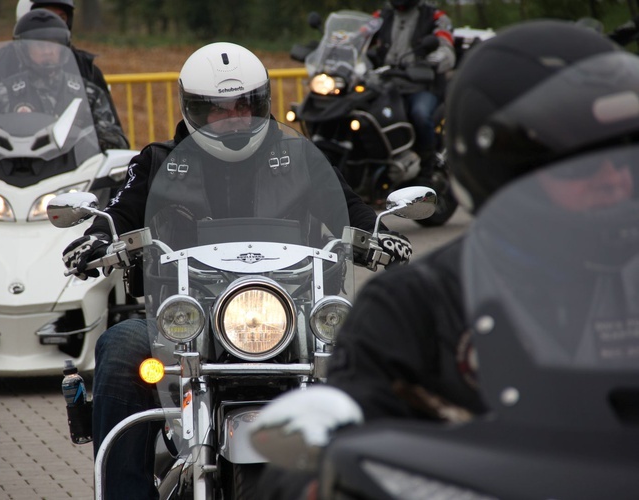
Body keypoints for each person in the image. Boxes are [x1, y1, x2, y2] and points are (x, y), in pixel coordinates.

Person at [257, 18, 633, 498]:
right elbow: (317, 460)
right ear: (507, 169)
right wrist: (317, 483)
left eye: (623, 153)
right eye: (582, 160)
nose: (616, 180)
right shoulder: (417, 307)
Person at [60, 41, 414, 499]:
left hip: (295, 314)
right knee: (121, 348)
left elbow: (351, 210)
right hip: (187, 321)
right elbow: (121, 213)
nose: (234, 118)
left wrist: (381, 235)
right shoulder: (159, 160)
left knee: (375, 346)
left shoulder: (301, 156)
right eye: (218, 110)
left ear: (262, 102)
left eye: (245, 106)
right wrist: (97, 238)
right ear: (192, 109)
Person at [0, 9, 128, 151]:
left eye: (54, 44)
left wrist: (91, 141)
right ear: (23, 49)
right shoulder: (2, 93)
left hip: (76, 173)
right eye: (39, 45)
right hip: (18, 172)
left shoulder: (88, 93)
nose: (48, 51)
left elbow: (116, 140)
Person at [369, 0, 456, 182]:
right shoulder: (380, 17)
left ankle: (428, 168)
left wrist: (435, 59)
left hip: (422, 83)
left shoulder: (435, 17)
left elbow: (445, 45)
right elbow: (358, 37)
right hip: (387, 83)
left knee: (420, 114)